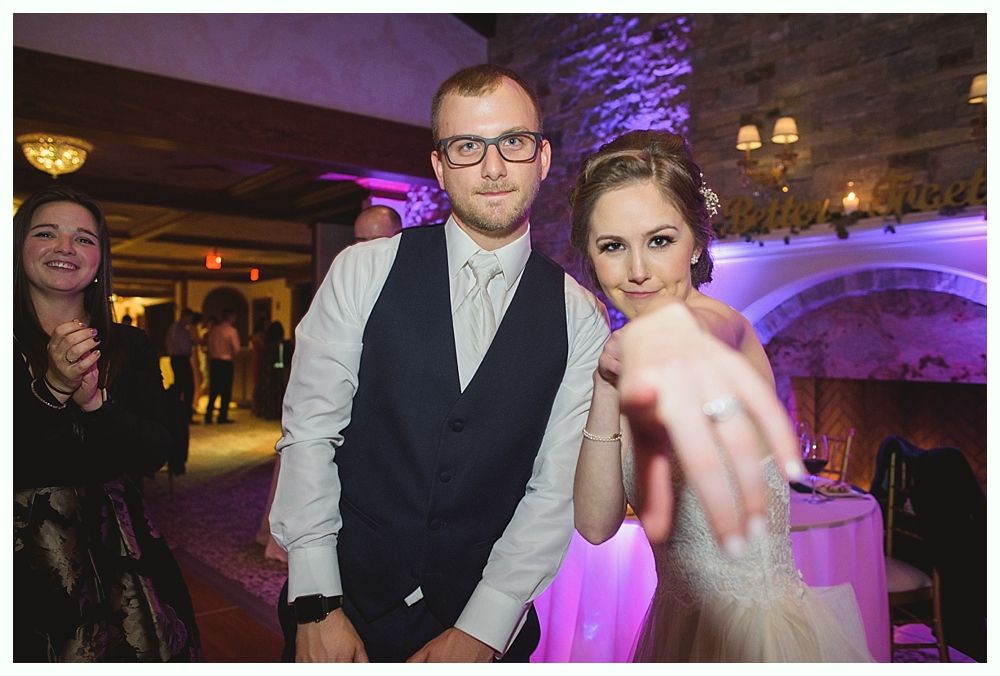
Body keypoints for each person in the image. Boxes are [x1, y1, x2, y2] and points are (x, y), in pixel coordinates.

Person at [269, 64, 610, 663]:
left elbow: (554, 488)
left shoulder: (580, 315)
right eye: (467, 146)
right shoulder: (363, 270)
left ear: (542, 157)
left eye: (513, 142)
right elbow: (310, 435)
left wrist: (483, 627)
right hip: (343, 607)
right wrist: (318, 604)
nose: (493, 167)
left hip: (482, 625)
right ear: (439, 165)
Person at [570, 130, 871, 662]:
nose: (637, 270)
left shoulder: (726, 326)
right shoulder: (619, 358)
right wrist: (604, 386)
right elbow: (595, 526)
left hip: (759, 638)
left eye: (660, 241)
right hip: (677, 629)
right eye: (613, 246)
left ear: (696, 244)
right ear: (593, 260)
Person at [13, 185, 201, 661]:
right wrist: (52, 388)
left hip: (119, 546)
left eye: (83, 239)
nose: (65, 247)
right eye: (46, 233)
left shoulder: (129, 344)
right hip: (23, 555)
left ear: (99, 260)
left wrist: (97, 404)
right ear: (18, 248)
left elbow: (155, 450)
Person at [204, 308, 241, 424]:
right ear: (230, 317)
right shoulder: (231, 331)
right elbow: (236, 349)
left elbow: (209, 345)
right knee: (226, 390)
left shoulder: (214, 330)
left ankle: (208, 415)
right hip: (226, 362)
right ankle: (222, 416)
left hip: (214, 362)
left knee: (214, 390)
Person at [166, 307, 196, 422]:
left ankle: (184, 414)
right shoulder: (176, 329)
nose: (190, 321)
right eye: (190, 318)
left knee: (186, 387)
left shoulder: (183, 329)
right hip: (179, 358)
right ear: (185, 316)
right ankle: (180, 415)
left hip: (181, 358)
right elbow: (179, 346)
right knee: (183, 387)